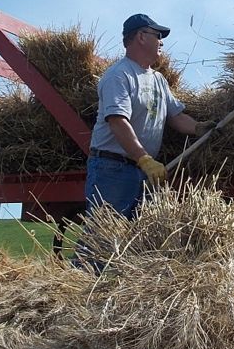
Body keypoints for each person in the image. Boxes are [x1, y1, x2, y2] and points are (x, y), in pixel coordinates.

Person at [84, 13, 214, 218]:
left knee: (137, 242)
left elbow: (176, 116)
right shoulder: (119, 75)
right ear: (141, 36)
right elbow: (118, 121)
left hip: (144, 170)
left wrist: (199, 128)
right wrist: (144, 159)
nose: (161, 42)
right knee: (104, 241)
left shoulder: (159, 80)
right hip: (113, 169)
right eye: (158, 35)